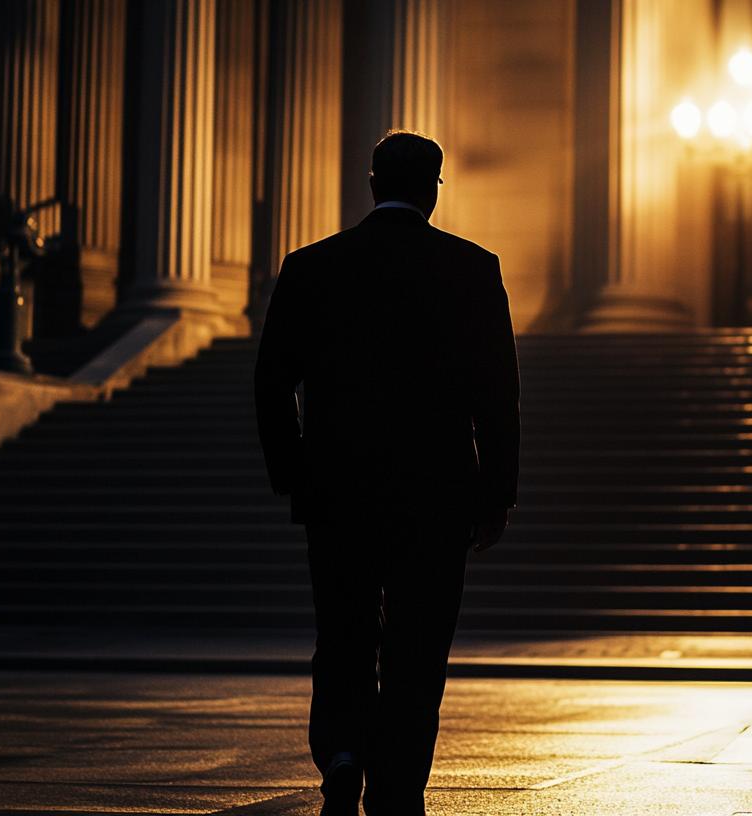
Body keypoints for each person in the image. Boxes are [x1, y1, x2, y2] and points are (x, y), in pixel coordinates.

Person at [254, 130, 520, 815]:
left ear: (372, 185)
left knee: (343, 631)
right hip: (435, 496)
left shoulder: (311, 267)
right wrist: (497, 495)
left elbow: (271, 381)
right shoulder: (472, 269)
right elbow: (497, 396)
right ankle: (396, 780)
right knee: (418, 643)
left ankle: (342, 752)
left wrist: (294, 470)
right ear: (433, 190)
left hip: (338, 491)